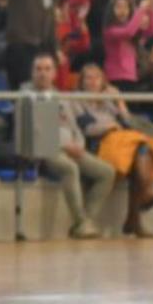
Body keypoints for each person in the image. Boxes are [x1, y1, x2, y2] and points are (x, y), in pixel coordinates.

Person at [27, 54, 116, 239]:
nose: (43, 74)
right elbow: (37, 131)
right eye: (38, 69)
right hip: (44, 149)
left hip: (72, 148)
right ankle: (81, 223)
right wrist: (66, 146)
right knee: (70, 168)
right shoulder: (26, 96)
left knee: (107, 172)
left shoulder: (61, 97)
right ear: (32, 73)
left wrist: (79, 144)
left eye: (47, 69)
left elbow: (74, 125)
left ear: (54, 73)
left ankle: (85, 220)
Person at [73, 64, 153, 238]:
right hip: (98, 145)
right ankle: (145, 197)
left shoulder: (107, 102)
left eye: (97, 77)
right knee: (140, 145)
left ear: (103, 82)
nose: (92, 82)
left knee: (140, 148)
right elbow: (86, 129)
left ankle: (133, 219)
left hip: (122, 146)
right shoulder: (76, 100)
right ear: (81, 82)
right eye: (88, 78)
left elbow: (130, 124)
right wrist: (110, 126)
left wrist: (120, 103)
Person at [102, 0, 153, 91]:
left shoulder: (132, 30)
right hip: (116, 77)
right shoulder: (110, 30)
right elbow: (128, 32)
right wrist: (141, 10)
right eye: (118, 7)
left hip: (131, 76)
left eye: (126, 7)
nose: (123, 11)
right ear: (111, 11)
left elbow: (152, 31)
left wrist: (151, 9)